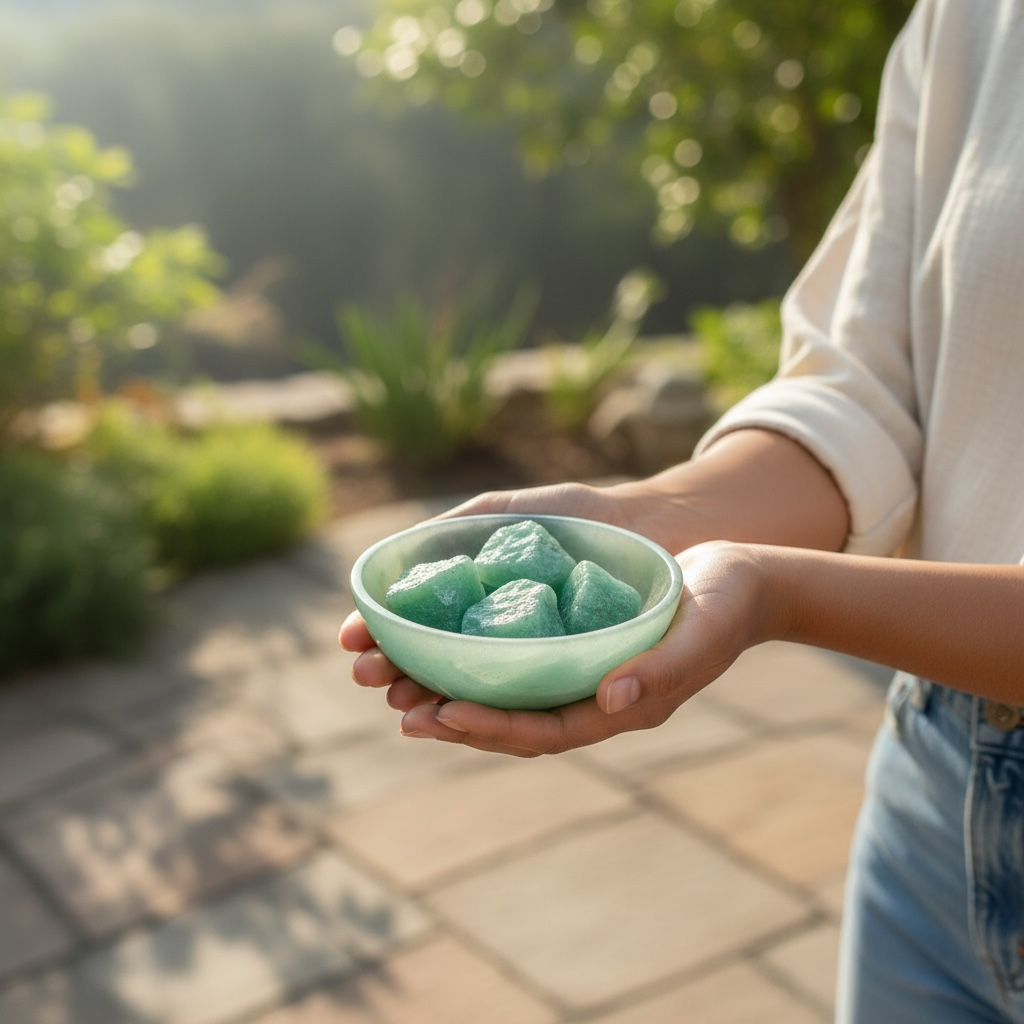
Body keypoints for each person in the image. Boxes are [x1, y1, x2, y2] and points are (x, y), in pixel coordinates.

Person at [340, 0, 1024, 1019]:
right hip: (929, 793)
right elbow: (868, 383)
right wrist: (661, 518)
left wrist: (772, 591)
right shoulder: (970, 17)